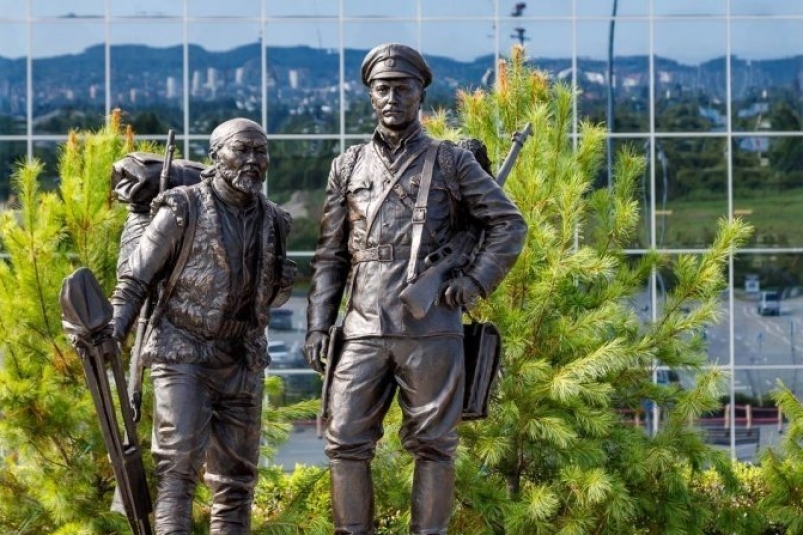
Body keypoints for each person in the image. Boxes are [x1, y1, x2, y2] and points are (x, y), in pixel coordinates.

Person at [304, 43, 527, 535]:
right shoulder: (347, 166)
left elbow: (509, 224)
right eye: (381, 89)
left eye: (402, 88)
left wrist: (474, 282)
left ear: (420, 92)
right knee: (344, 440)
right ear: (369, 95)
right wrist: (319, 324)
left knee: (434, 446)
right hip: (362, 323)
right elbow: (330, 255)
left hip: (430, 326)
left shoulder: (450, 161)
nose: (391, 97)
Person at [109, 117, 296, 535]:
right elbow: (135, 279)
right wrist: (113, 334)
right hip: (183, 352)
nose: (252, 160)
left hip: (242, 358)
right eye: (241, 150)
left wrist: (279, 284)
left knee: (236, 482)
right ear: (216, 156)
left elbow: (269, 296)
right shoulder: (182, 207)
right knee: (177, 472)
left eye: (260, 152)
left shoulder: (276, 220)